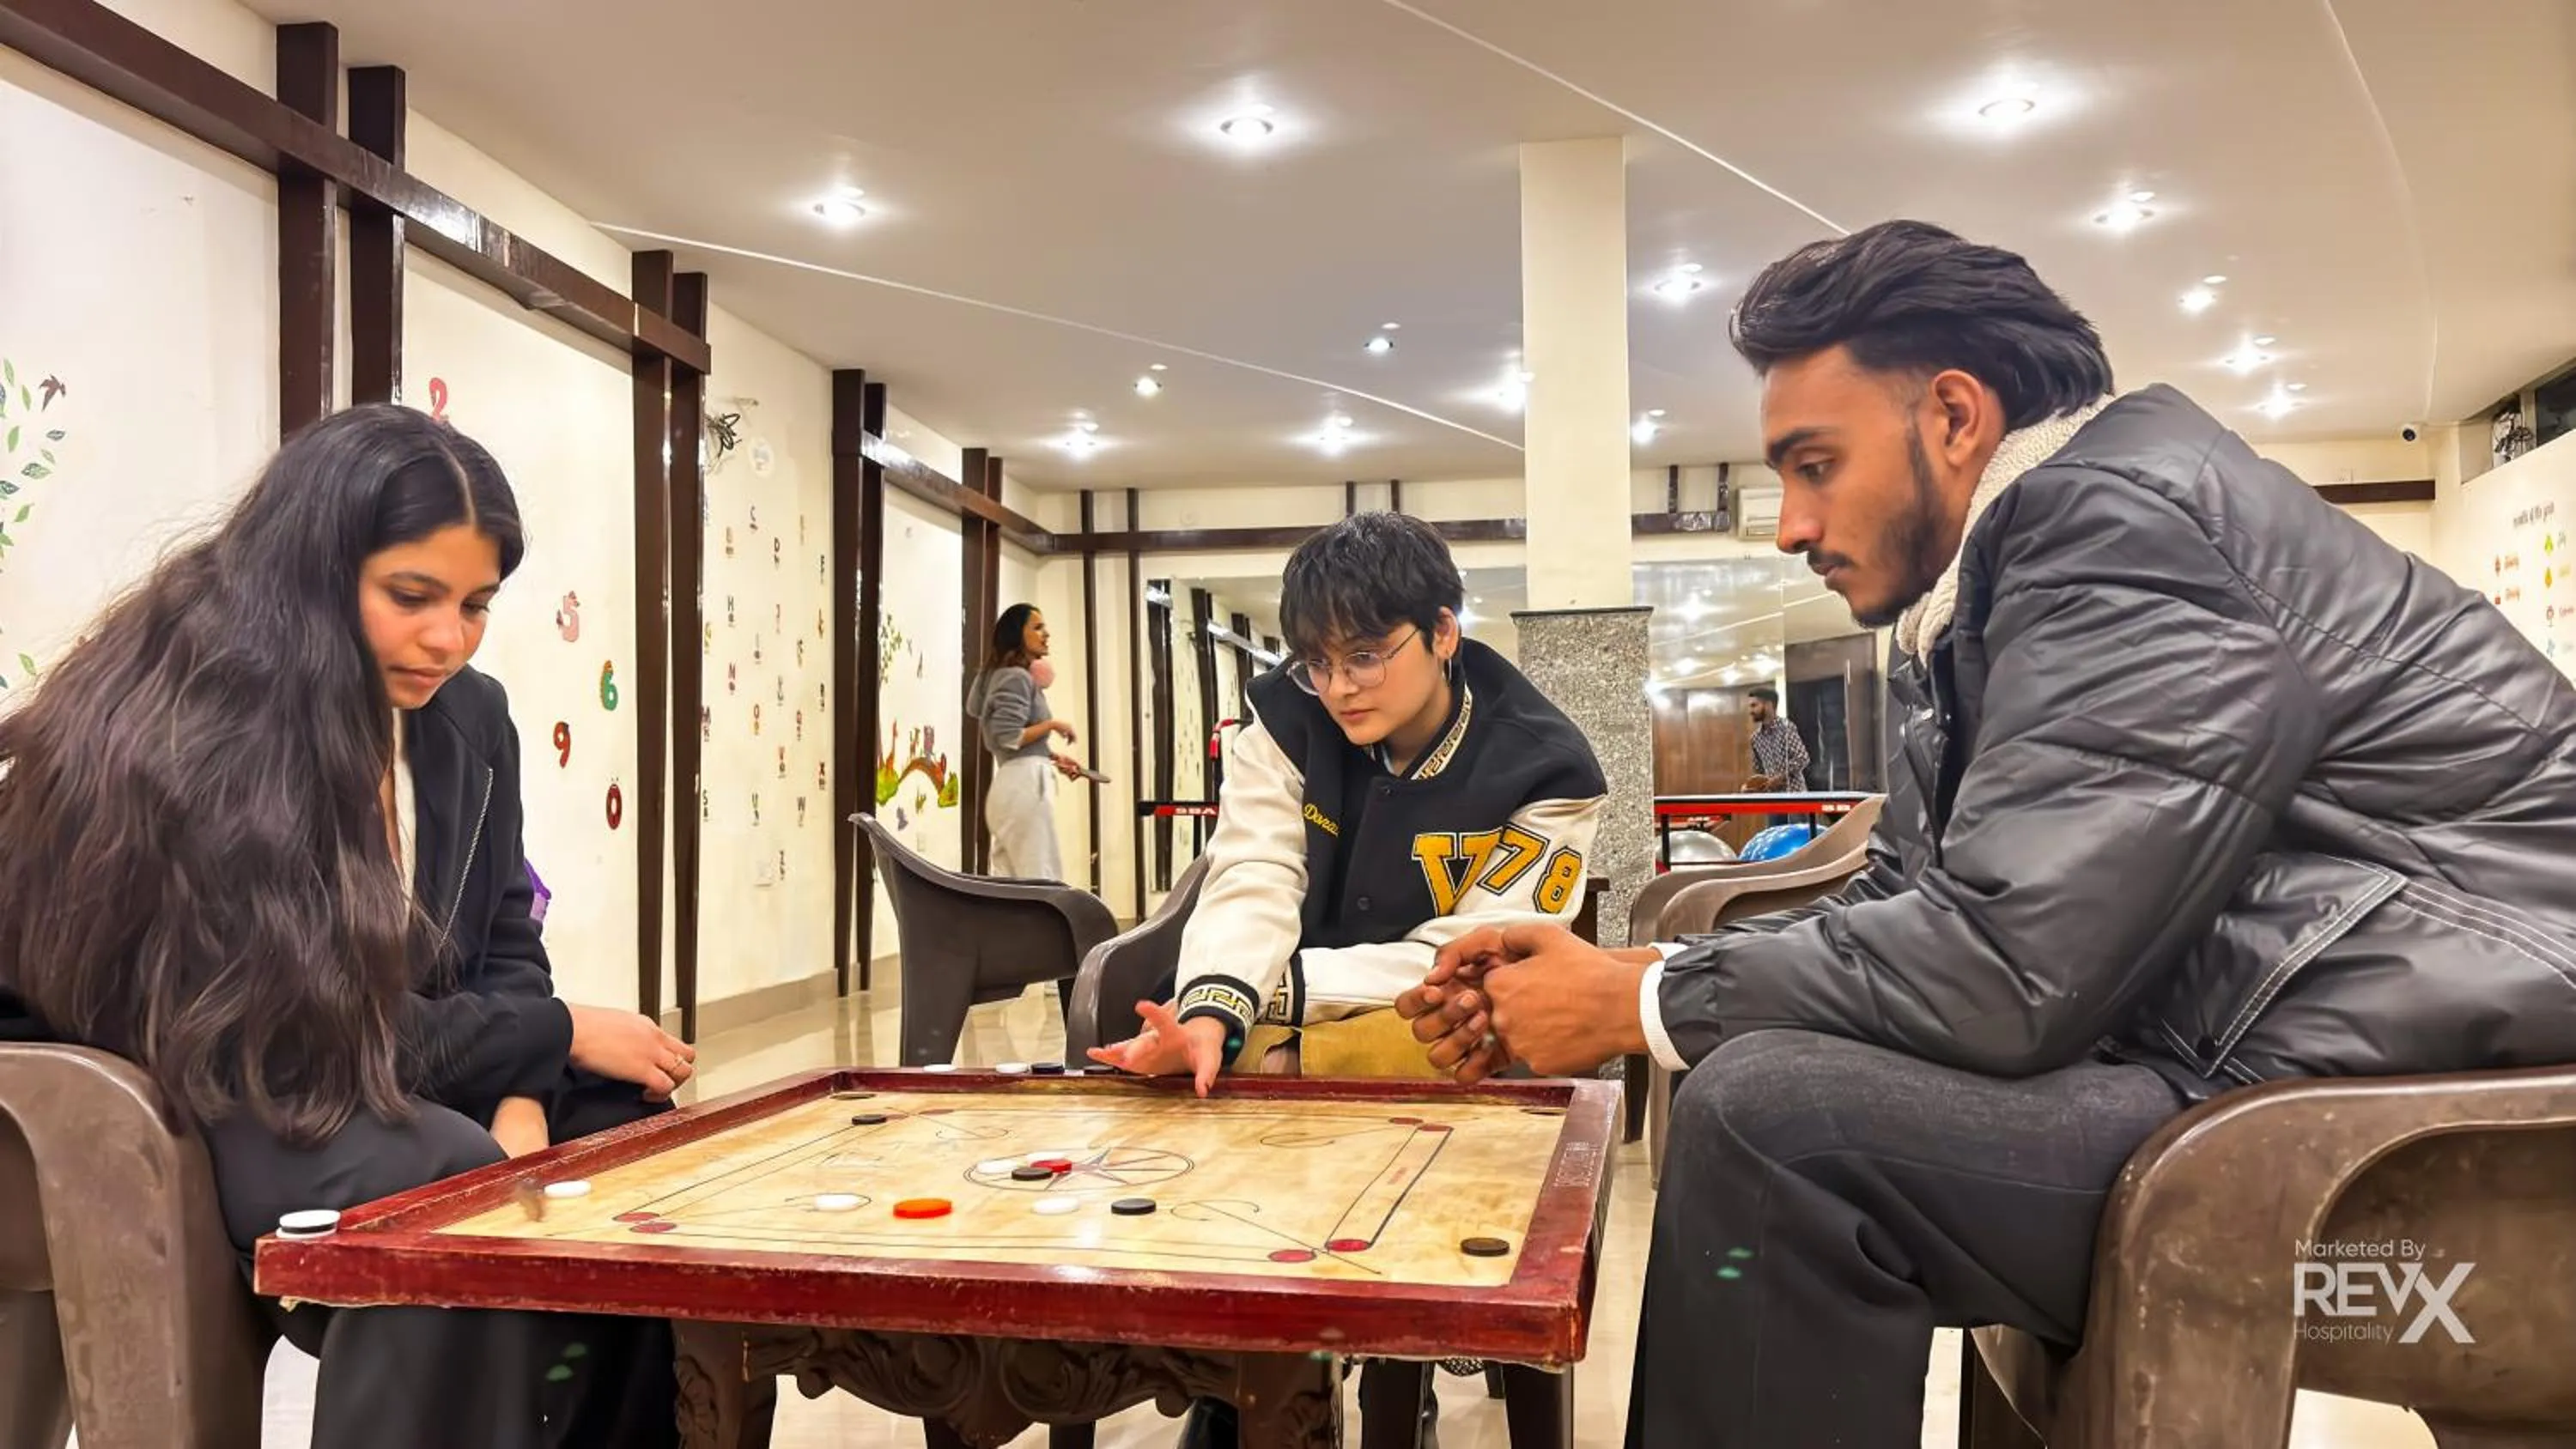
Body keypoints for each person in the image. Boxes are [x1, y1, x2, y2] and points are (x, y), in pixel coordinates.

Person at [1393, 220, 2576, 1447]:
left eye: (1814, 464)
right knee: (1772, 1101)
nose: (1788, 525)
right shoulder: (2004, 586)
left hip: (2465, 1131)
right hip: (2293, 1060)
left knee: (1778, 1127)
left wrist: (1637, 1012)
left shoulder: (2119, 528)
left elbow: (2011, 966)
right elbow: (1914, 909)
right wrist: (1635, 973)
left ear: (1956, 418)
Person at [0, 404, 696, 1449]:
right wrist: (554, 1035)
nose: (448, 638)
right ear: (312, 571)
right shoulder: (192, 726)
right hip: (170, 1091)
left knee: (627, 1145)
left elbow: (507, 939)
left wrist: (522, 1087)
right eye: (411, 596)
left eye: (476, 604)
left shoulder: (471, 718)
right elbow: (292, 1034)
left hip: (354, 1062)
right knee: (445, 1188)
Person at [968, 603, 1088, 882]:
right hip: (1023, 786)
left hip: (1013, 784)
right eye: (1037, 627)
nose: (1046, 634)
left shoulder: (1004, 676)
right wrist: (1053, 724)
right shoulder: (1015, 677)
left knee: (1011, 882)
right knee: (1039, 877)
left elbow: (1013, 741)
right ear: (1017, 634)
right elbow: (1008, 736)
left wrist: (1053, 757)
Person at [1741, 684, 1810, 835]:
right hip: (1773, 801)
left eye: (1754, 705)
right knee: (1775, 840)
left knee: (1800, 843)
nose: (1750, 711)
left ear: (1768, 705)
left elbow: (1802, 757)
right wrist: (1752, 788)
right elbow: (1758, 771)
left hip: (1795, 798)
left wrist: (1779, 777)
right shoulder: (1756, 738)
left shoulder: (1786, 728)